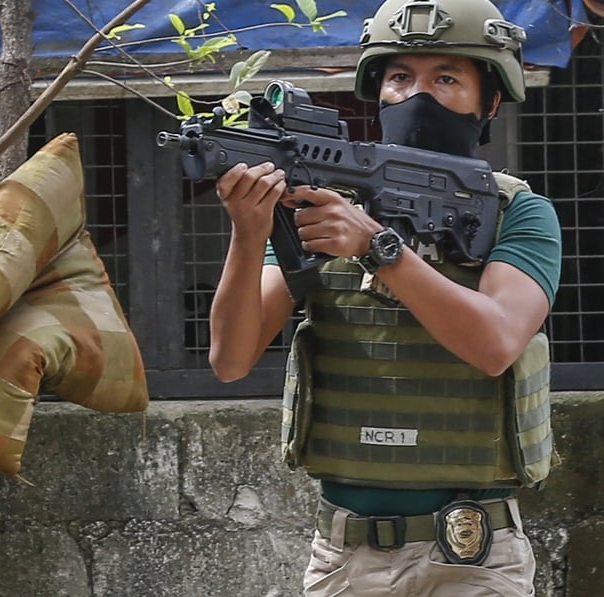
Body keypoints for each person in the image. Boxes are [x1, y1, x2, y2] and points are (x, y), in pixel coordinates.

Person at [207, 0, 561, 595]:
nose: (416, 95)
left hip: (474, 552)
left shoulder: (517, 213)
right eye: (400, 77)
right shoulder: (323, 207)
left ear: (490, 100)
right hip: (347, 555)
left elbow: (496, 343)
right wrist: (250, 232)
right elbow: (231, 358)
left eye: (446, 78)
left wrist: (378, 248)